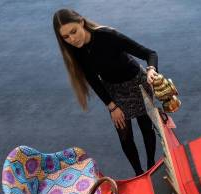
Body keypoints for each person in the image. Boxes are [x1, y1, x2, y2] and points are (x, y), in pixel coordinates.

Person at [53, 9, 160, 176]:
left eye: (73, 31)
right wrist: (111, 106)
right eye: (66, 37)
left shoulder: (108, 35)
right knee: (124, 135)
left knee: (146, 127)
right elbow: (93, 80)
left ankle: (151, 165)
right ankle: (139, 173)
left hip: (137, 84)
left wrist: (152, 70)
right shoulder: (75, 51)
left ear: (81, 22)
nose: (72, 39)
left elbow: (149, 53)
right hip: (113, 90)